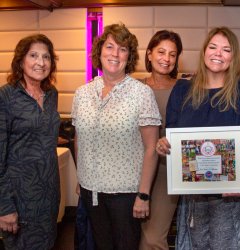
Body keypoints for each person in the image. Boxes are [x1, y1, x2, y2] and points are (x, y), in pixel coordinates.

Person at [156, 27, 240, 250]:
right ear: (204, 51)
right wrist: (163, 144)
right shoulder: (182, 89)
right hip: (194, 196)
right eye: (213, 47)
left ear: (233, 56)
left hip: (231, 195)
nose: (218, 53)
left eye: (226, 49)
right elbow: (172, 137)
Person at [71, 23, 161, 250]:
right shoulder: (82, 93)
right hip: (91, 190)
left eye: (122, 49)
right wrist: (81, 178)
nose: (115, 54)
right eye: (110, 47)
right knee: (101, 245)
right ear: (99, 52)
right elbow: (79, 137)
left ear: (129, 57)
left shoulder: (141, 94)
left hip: (126, 193)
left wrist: (143, 194)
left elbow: (151, 148)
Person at [0, 34, 60, 249]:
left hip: (49, 195)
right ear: (21, 60)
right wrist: (4, 206)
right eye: (33, 55)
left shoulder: (51, 94)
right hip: (19, 198)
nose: (40, 62)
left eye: (46, 57)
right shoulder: (6, 97)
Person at [139, 30, 183, 250]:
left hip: (167, 169)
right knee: (133, 237)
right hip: (135, 169)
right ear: (149, 54)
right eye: (161, 52)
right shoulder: (134, 87)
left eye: (173, 54)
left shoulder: (184, 89)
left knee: (153, 239)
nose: (167, 59)